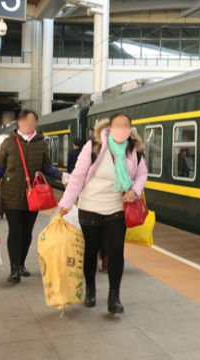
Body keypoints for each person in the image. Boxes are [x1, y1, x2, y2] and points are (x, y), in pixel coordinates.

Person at [58, 113, 147, 314]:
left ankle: (114, 297)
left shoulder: (134, 149)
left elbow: (142, 174)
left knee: (116, 252)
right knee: (90, 252)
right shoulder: (94, 146)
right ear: (110, 127)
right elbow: (78, 177)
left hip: (117, 208)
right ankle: (90, 289)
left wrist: (135, 190)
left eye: (126, 126)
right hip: (90, 207)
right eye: (118, 125)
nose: (122, 130)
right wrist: (66, 204)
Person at [0, 109, 68, 284]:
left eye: (33, 122)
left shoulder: (41, 143)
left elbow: (47, 167)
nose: (30, 125)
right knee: (15, 231)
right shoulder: (9, 143)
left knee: (27, 232)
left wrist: (62, 176)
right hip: (11, 194)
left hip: (33, 196)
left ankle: (21, 264)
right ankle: (14, 270)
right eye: (27, 122)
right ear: (19, 123)